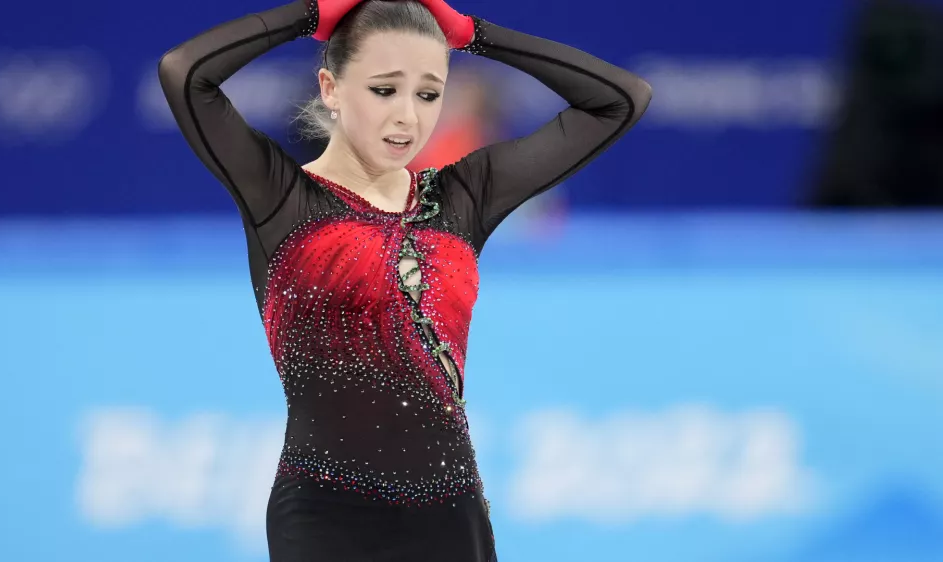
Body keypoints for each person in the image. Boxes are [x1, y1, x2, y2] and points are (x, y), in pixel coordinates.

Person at [158, 0, 651, 559]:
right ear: (331, 88)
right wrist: (309, 15)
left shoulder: (463, 197)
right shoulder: (282, 198)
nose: (408, 118)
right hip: (325, 514)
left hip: (450, 514)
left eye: (428, 93)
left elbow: (620, 101)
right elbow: (186, 73)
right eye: (384, 89)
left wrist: (473, 33)